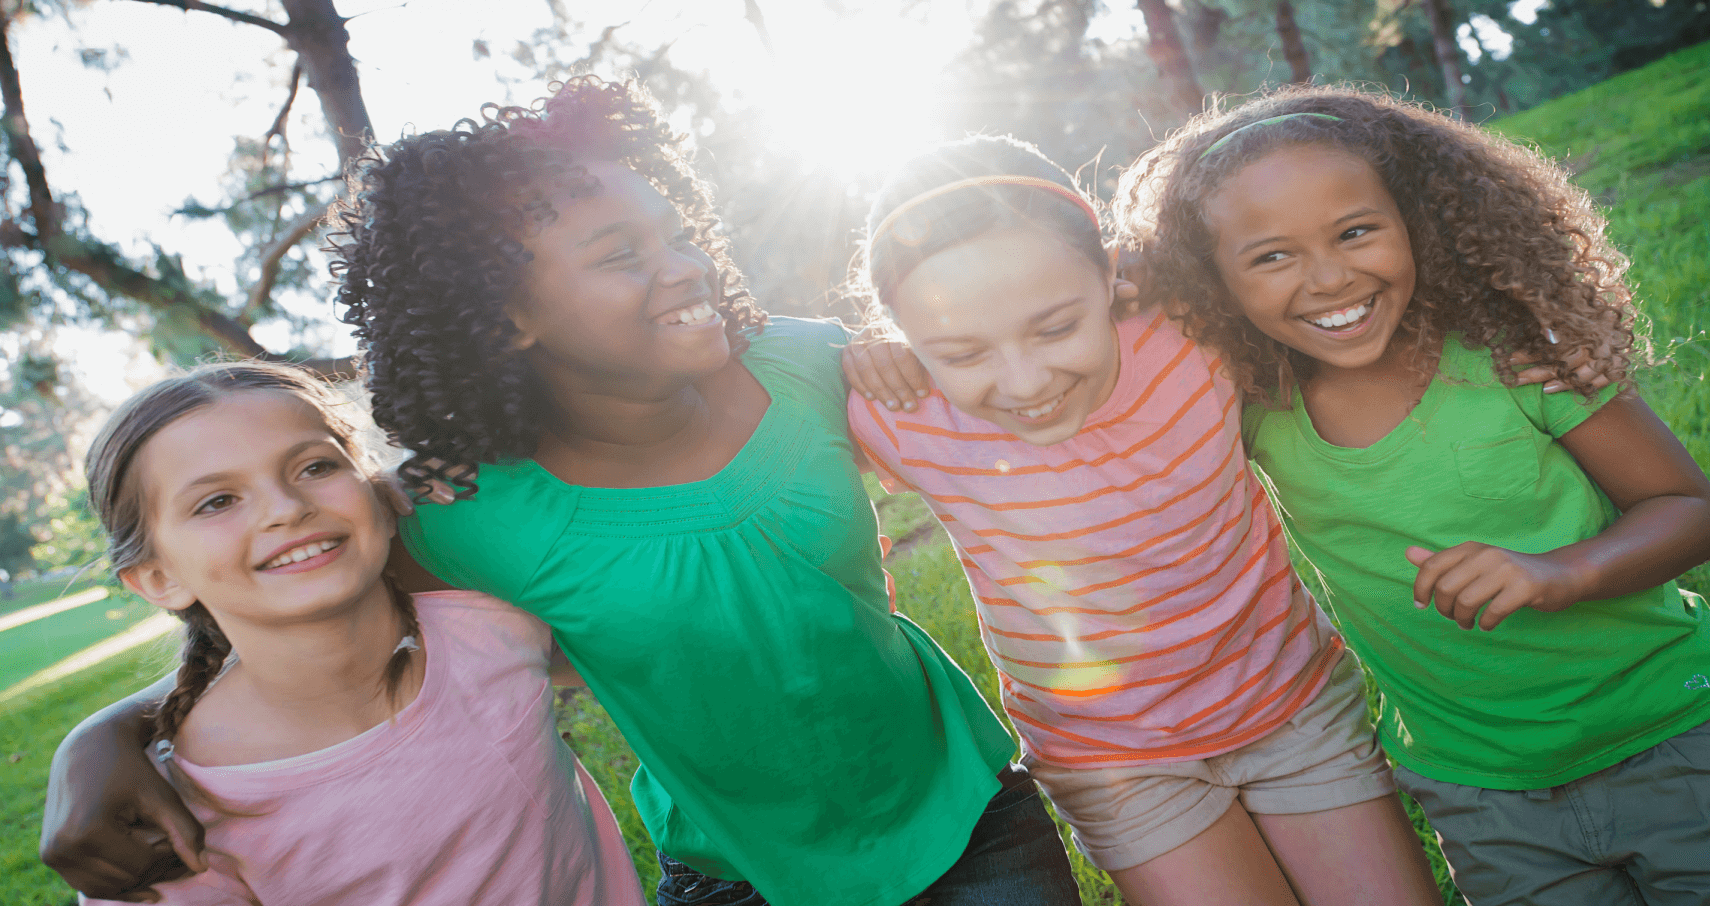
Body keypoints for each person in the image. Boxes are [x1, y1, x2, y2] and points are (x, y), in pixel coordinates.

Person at [41, 78, 1082, 906]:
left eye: (678, 235)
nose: (684, 268)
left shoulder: (809, 369)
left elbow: (1026, 359)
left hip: (967, 817)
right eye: (621, 255)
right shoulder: (460, 510)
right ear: (504, 322)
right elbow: (303, 611)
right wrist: (113, 735)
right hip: (737, 874)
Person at [1110, 87, 1710, 905]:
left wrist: (1563, 573)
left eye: (1356, 232)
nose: (1328, 277)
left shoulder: (1516, 357)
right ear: (1212, 282)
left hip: (1677, 746)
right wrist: (1124, 280)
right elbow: (1098, 360)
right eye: (1270, 256)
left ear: (1417, 221)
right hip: (1480, 792)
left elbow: (1689, 512)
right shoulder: (1257, 405)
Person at [840, 136, 1445, 906]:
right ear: (905, 337)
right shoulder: (902, 411)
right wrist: (849, 355)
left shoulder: (1194, 330)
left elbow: (1300, 257)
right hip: (1115, 760)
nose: (1026, 382)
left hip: (1291, 704)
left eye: (1057, 328)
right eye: (961, 352)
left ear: (1110, 273)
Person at [68, 361, 644, 905]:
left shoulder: (493, 627)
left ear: (376, 487)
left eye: (315, 467)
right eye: (217, 501)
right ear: (158, 578)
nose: (286, 508)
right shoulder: (171, 817)